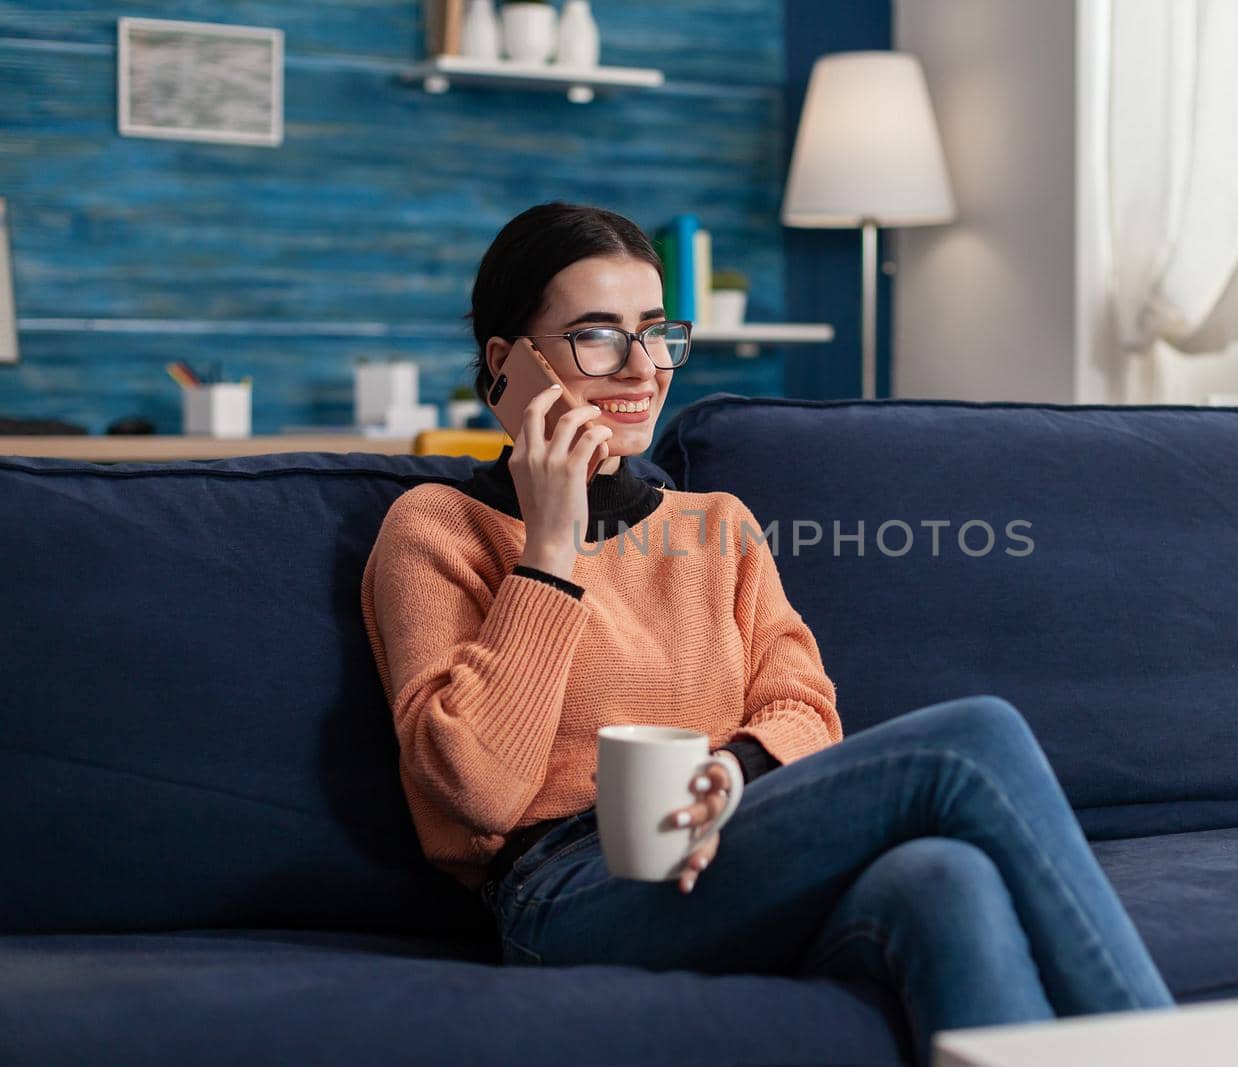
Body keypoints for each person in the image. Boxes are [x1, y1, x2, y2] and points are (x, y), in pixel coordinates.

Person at [359, 201, 1174, 1066]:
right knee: (975, 739)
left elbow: (804, 708)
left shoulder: (717, 525)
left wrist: (729, 774)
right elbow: (473, 789)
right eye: (597, 336)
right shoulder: (437, 529)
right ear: (506, 366)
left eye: (657, 333)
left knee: (945, 880)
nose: (642, 369)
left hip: (729, 845)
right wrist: (552, 546)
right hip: (562, 891)